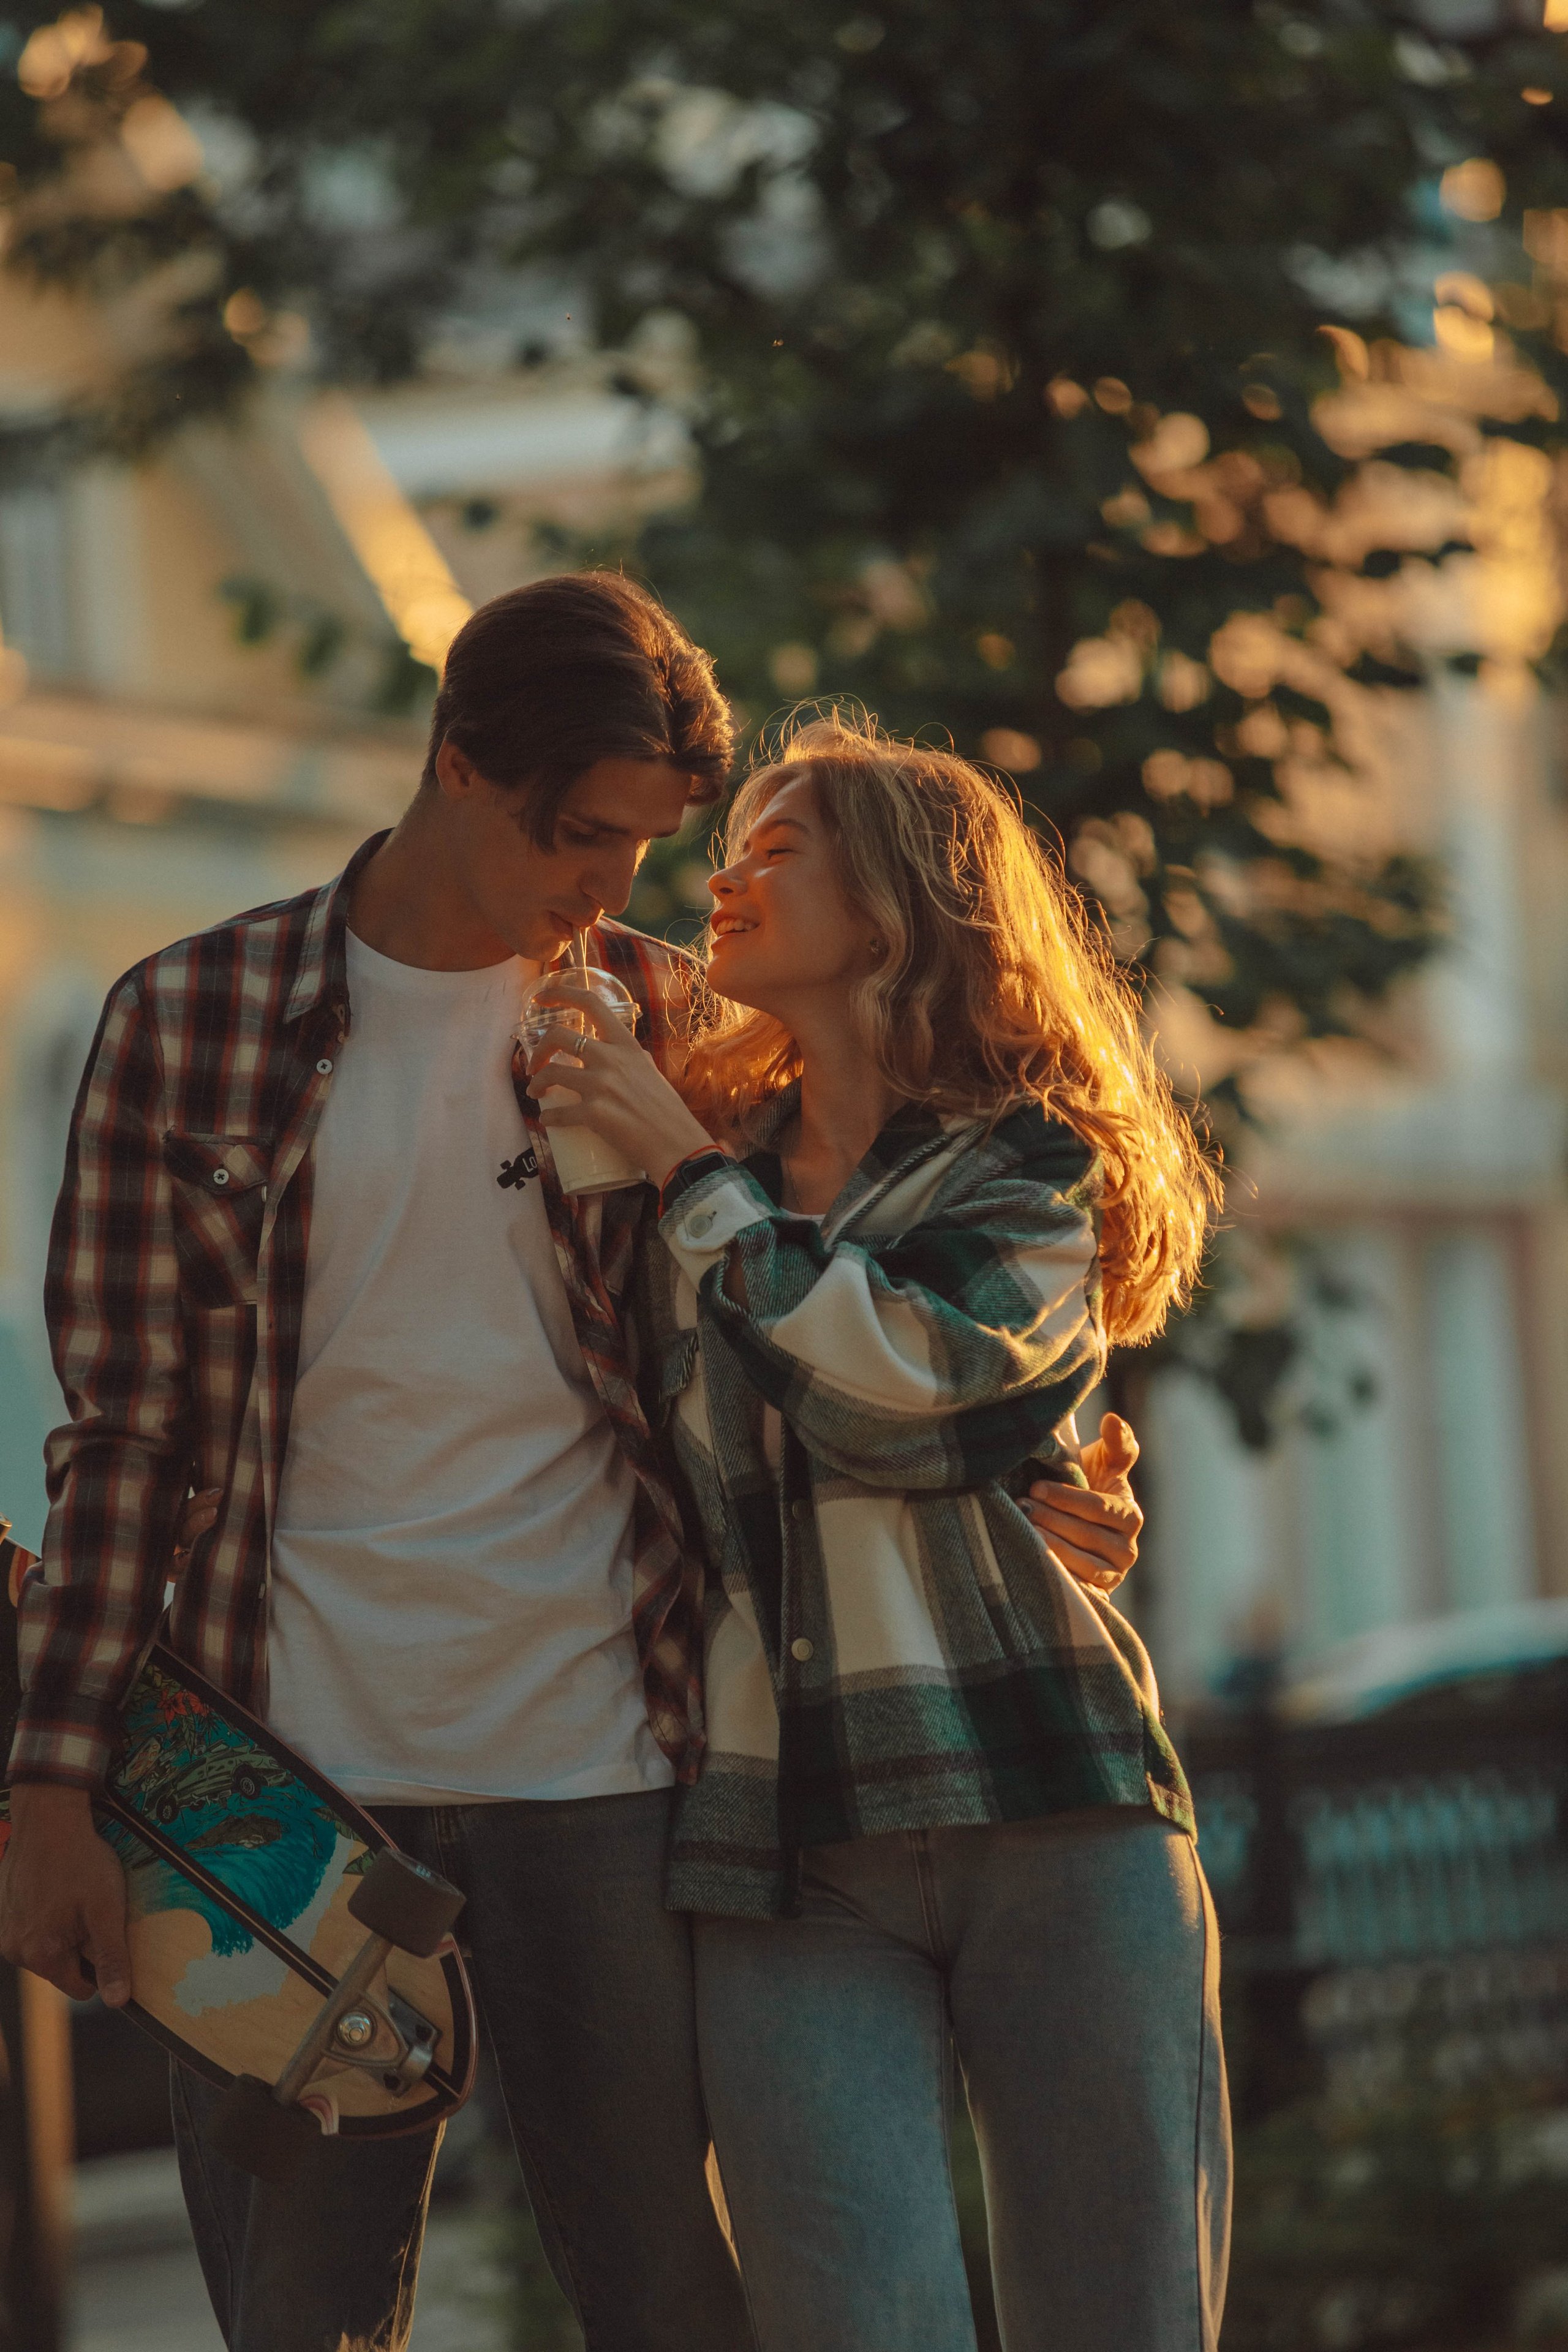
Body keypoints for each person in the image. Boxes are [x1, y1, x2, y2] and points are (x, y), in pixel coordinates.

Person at [0, 580, 1140, 2352]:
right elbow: (125, 1438)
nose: (611, 888)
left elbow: (842, 1317)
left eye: (646, 845)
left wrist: (1053, 1466)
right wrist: (55, 1790)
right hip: (287, 1801)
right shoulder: (191, 1019)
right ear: (461, 765)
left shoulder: (683, 1033)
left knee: (671, 2311)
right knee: (297, 2325)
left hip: (619, 1776)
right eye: (580, 834)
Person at [522, 715, 1231, 2352]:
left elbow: (915, 1398)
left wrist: (692, 1178)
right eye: (730, 846)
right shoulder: (685, 1170)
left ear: (903, 905)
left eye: (778, 848)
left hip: (1056, 1807)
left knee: (1116, 2320)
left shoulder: (1024, 1168)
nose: (725, 876)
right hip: (784, 1847)